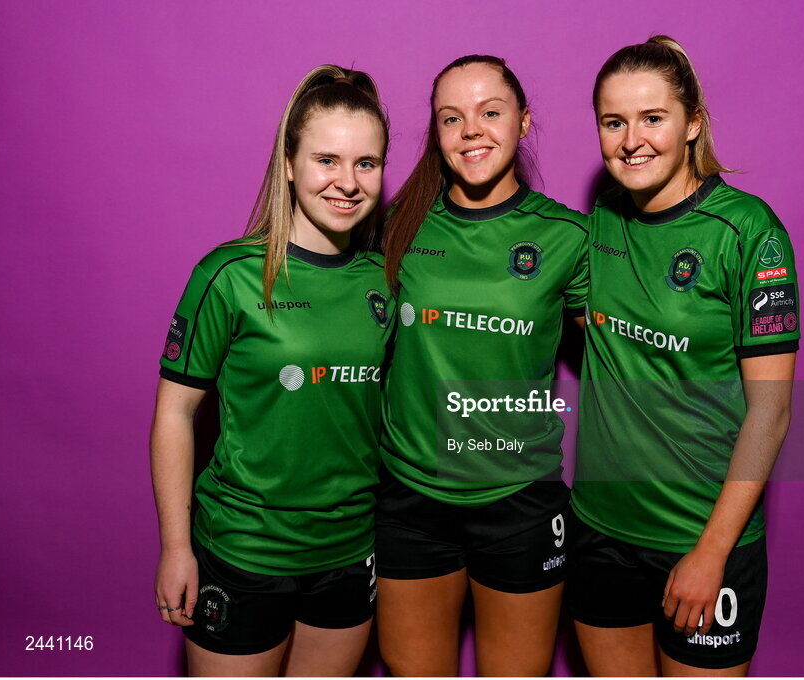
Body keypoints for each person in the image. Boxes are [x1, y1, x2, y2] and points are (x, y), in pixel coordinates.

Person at [567, 36, 800, 676]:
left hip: (698, 542)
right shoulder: (602, 219)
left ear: (692, 122)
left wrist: (711, 553)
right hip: (598, 530)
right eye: (613, 122)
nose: (631, 140)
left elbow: (771, 413)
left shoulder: (749, 232)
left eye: (653, 118)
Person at [150, 65, 393, 676]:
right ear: (289, 164)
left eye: (366, 163)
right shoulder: (228, 275)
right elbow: (175, 415)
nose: (348, 181)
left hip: (348, 550)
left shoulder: (384, 279)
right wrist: (177, 548)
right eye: (327, 160)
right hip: (245, 550)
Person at [378, 55, 589, 676]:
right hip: (410, 500)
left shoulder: (567, 237)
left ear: (523, 123)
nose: (471, 130)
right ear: (437, 134)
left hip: (521, 502)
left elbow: (624, 356)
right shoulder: (396, 227)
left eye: (489, 113)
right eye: (452, 118)